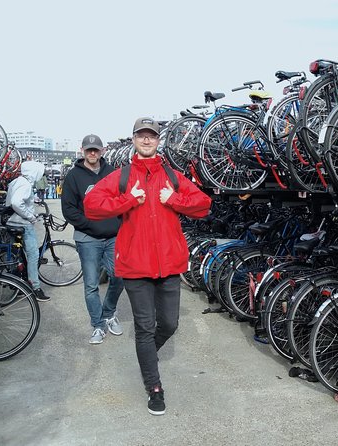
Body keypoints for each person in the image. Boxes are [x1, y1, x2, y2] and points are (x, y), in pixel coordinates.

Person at [84, 118, 211, 416]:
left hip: (168, 263)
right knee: (144, 327)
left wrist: (175, 199)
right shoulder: (123, 176)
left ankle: (146, 357)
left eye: (151, 136)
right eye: (141, 136)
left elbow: (203, 204)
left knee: (169, 324)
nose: (146, 140)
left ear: (157, 141)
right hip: (135, 265)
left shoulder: (172, 176)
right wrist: (127, 199)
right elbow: (92, 205)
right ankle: (154, 386)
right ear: (133, 140)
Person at [61, 134, 124, 345]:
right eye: (89, 150)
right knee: (91, 285)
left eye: (96, 149)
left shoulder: (112, 173)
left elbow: (122, 200)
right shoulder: (73, 176)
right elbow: (68, 209)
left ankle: (108, 313)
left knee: (120, 276)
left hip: (113, 237)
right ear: (82, 151)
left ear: (102, 150)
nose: (93, 153)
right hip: (87, 238)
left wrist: (119, 223)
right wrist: (90, 224)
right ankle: (97, 325)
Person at [5, 160, 51, 302]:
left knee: (17, 254)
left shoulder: (19, 181)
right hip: (23, 224)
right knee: (33, 255)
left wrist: (33, 199)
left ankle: (18, 283)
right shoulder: (25, 184)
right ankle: (35, 287)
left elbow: (18, 198)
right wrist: (30, 216)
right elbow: (16, 202)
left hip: (12, 222)